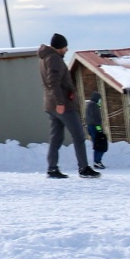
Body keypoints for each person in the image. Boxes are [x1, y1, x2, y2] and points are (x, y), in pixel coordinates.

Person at [38, 33, 98, 179]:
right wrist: (60, 102)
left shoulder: (44, 58)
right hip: (62, 106)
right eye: (65, 47)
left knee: (56, 138)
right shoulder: (54, 59)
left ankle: (52, 169)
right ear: (59, 47)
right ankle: (84, 168)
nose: (66, 49)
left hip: (51, 105)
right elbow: (54, 82)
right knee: (78, 135)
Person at [86, 91, 108, 169]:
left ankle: (97, 161)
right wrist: (99, 129)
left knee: (97, 145)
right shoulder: (93, 105)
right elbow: (95, 118)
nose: (100, 100)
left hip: (91, 127)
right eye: (99, 99)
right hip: (95, 127)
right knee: (100, 144)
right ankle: (97, 161)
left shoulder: (90, 105)